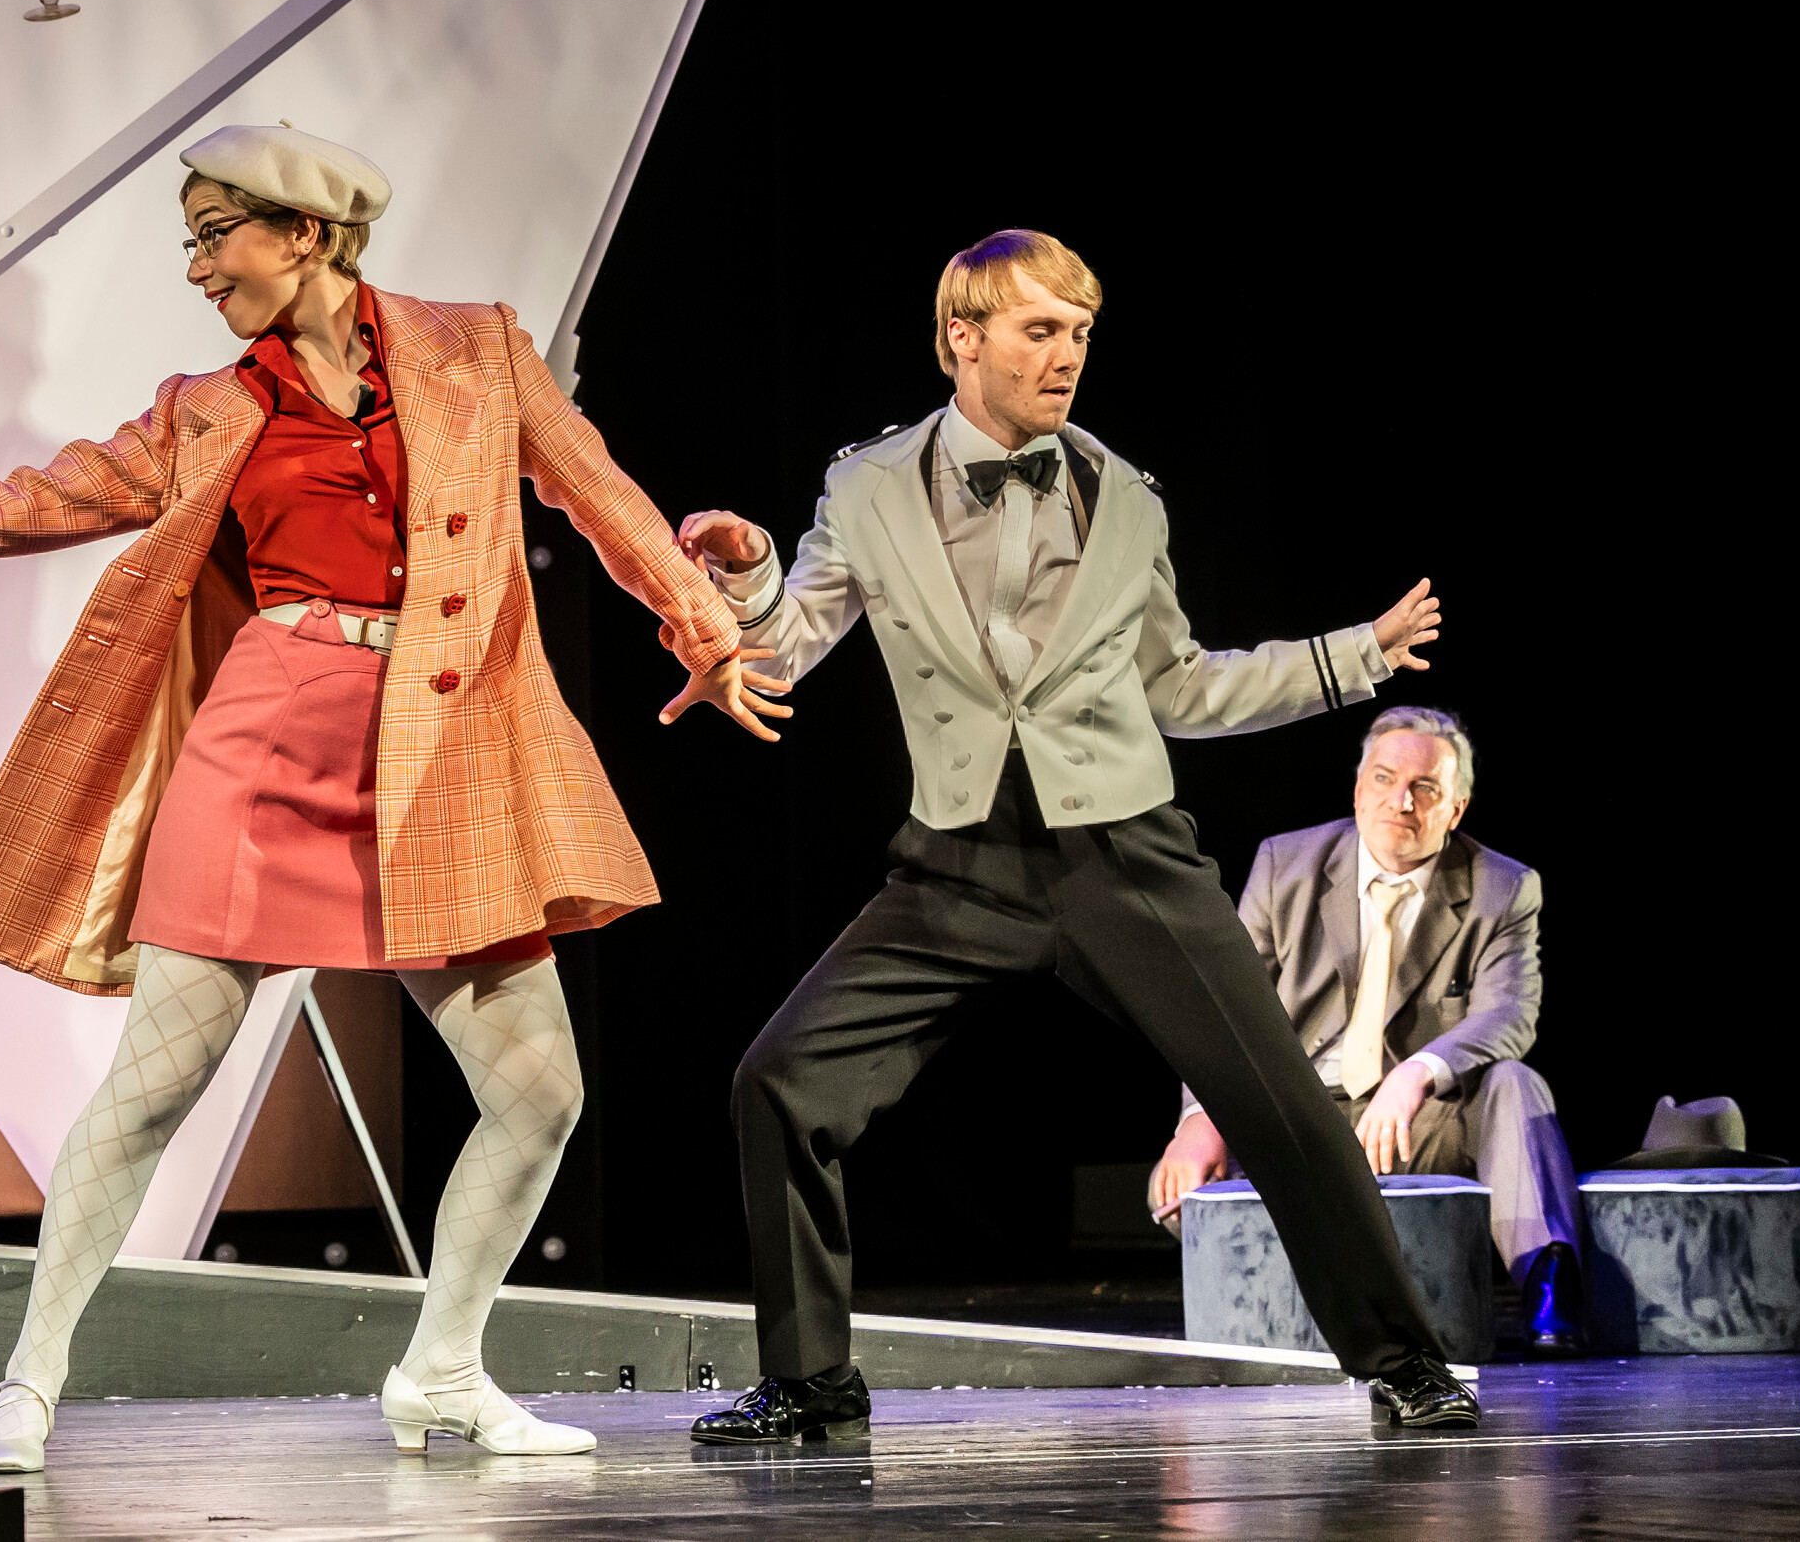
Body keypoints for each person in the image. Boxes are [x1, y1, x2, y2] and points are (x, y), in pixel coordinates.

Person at [0, 123, 785, 1471]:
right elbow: (38, 499)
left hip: (440, 760)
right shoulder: (203, 407)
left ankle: (442, 1367)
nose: (200, 267)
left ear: (308, 235)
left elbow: (601, 495)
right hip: (267, 744)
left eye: (217, 234)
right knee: (153, 1088)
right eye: (193, 240)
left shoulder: (475, 347)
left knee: (539, 1093)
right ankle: (29, 1383)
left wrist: (702, 620)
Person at [670, 228, 1480, 1442]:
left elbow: (1184, 686)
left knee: (1285, 1107)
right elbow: (789, 646)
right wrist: (745, 577)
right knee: (780, 1081)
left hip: (1124, 852)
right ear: (962, 336)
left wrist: (1349, 657)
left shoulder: (1125, 496)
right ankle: (813, 1382)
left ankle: (1405, 1359)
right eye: (1041, 330)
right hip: (956, 858)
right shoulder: (869, 485)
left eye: (1081, 334)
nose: (1067, 357)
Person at [1149, 706, 1585, 1354]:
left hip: (1421, 1126)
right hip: (1301, 1117)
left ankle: (1549, 1281)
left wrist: (1417, 1072)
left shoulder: (1504, 886)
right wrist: (1198, 1118)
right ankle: (1267, 1305)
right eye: (1384, 778)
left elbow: (1509, 1014)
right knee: (1196, 1167)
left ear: (1455, 808)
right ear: (1358, 788)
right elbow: (1222, 1008)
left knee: (1514, 1082)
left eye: (1425, 788)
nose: (1401, 800)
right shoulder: (1284, 864)